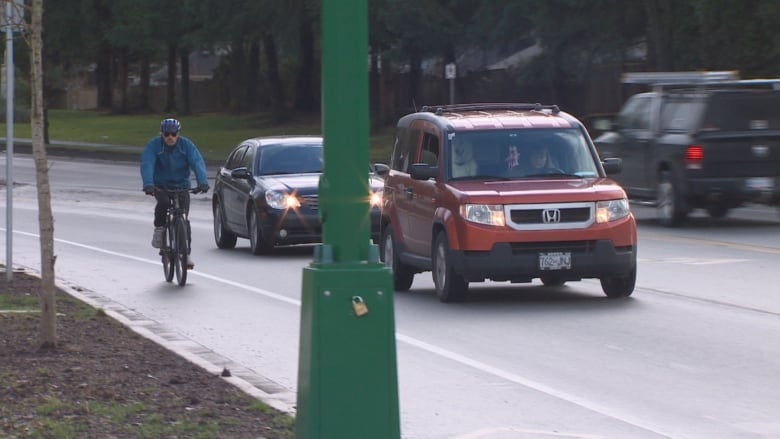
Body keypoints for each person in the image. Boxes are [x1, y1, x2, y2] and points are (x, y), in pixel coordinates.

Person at [140, 118, 209, 269]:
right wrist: (149, 185)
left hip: (182, 186)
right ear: (161, 134)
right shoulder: (154, 146)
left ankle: (186, 254)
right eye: (166, 134)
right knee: (163, 203)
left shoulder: (186, 145)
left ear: (178, 134)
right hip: (161, 186)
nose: (170, 137)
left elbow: (197, 162)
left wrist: (202, 182)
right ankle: (159, 230)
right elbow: (147, 163)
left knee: (184, 217)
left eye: (173, 134)